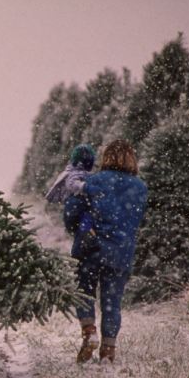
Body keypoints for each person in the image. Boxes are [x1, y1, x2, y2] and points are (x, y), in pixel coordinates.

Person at [63, 140, 147, 363]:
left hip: (91, 248)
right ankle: (109, 350)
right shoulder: (140, 188)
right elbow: (136, 219)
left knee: (83, 292)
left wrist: (77, 225)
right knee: (112, 301)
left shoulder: (94, 181)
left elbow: (72, 211)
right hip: (121, 252)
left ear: (107, 157)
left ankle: (89, 332)